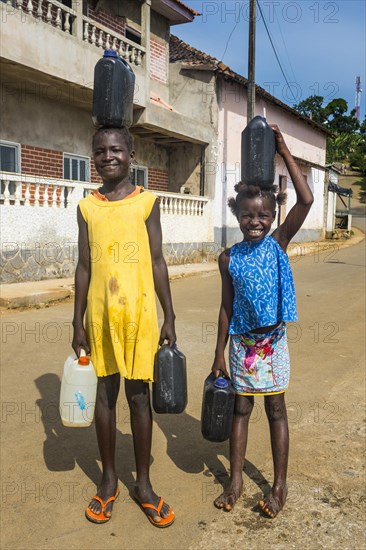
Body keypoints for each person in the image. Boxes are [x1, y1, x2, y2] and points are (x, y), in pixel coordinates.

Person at [72, 126, 176, 527]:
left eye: (116, 149)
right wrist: (77, 320)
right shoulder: (86, 207)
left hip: (138, 316)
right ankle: (108, 480)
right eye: (100, 150)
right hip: (99, 317)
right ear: (92, 156)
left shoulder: (147, 202)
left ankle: (144, 485)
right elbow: (84, 266)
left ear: (132, 154)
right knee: (103, 395)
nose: (108, 155)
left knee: (138, 397)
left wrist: (170, 314)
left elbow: (157, 261)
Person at [211, 125, 314, 518]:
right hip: (241, 345)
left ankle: (280, 485)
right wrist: (218, 354)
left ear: (273, 217)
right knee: (240, 411)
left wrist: (284, 150)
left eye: (264, 216)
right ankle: (235, 480)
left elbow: (306, 198)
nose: (255, 222)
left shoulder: (277, 243)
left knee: (275, 411)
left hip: (272, 344)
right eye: (247, 215)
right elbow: (225, 308)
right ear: (236, 215)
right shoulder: (228, 258)